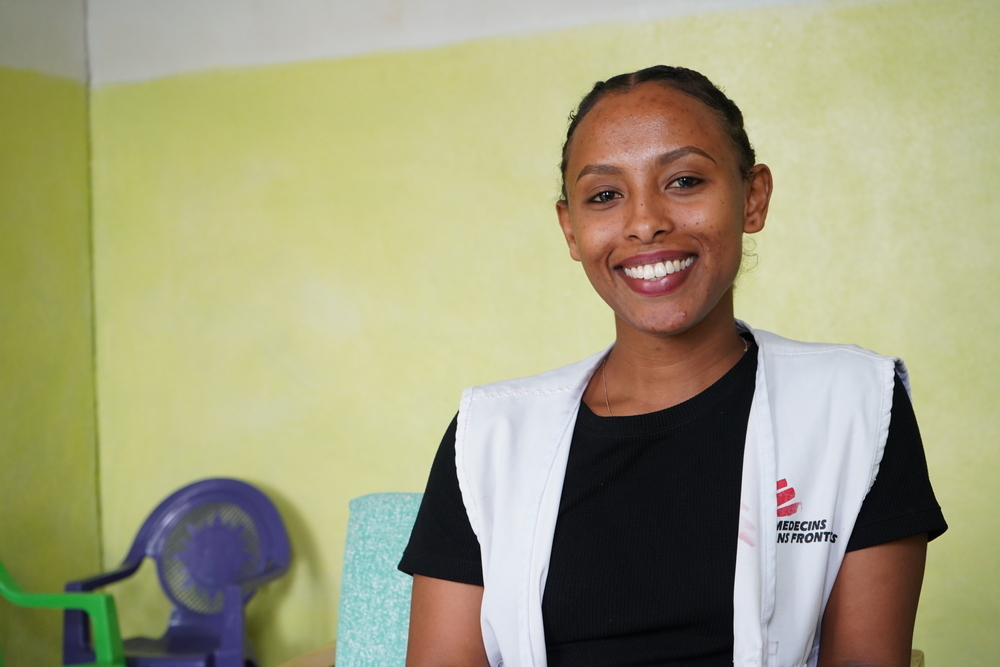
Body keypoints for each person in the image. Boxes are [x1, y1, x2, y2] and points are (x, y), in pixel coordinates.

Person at [398, 65, 946, 667]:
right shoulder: (489, 436)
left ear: (753, 197)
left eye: (684, 181)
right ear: (571, 230)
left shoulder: (856, 405)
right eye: (605, 195)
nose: (644, 221)